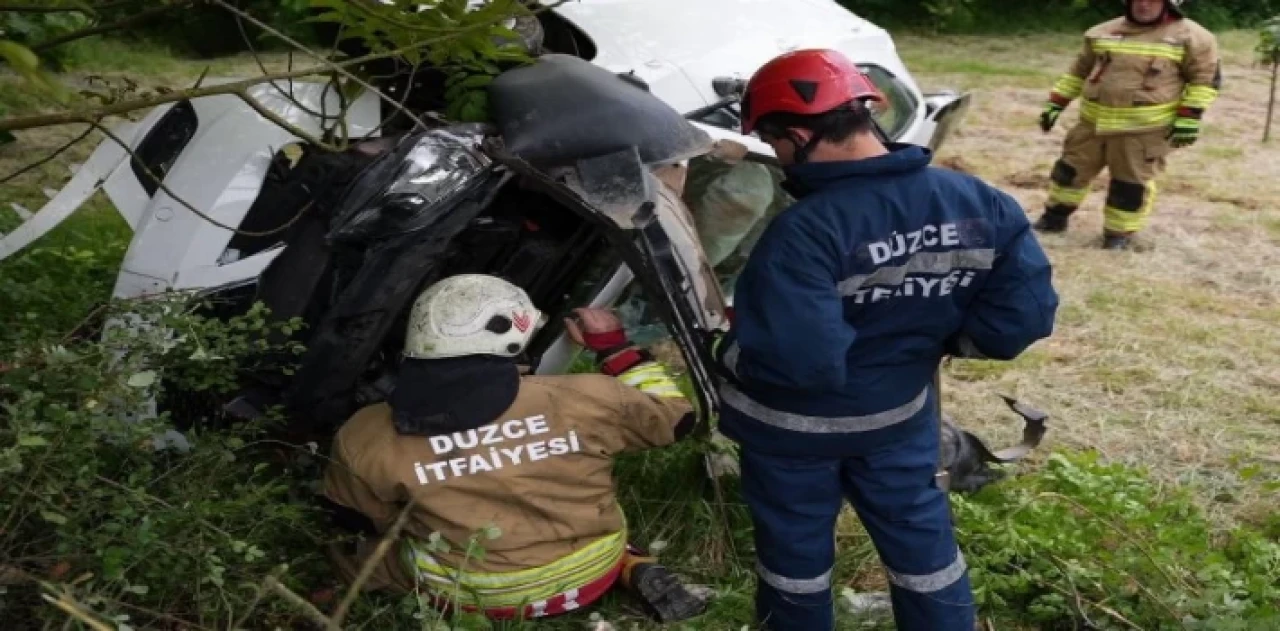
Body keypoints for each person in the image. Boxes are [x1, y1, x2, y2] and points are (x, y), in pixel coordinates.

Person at [704, 49, 1059, 630]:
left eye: (775, 144)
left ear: (797, 136)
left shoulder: (805, 232)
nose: (779, 157)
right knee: (926, 557)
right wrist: (925, 340)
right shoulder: (978, 202)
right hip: (900, 422)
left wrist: (732, 350)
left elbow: (802, 363)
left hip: (792, 439)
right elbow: (1019, 321)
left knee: (796, 565)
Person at [320, 273, 708, 623]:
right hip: (594, 571)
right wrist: (613, 347)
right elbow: (677, 418)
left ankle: (335, 600)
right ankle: (629, 562)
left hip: (476, 596)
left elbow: (356, 519)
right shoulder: (586, 398)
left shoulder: (365, 433)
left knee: (360, 553)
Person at [1034, 0, 1221, 250]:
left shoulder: (1193, 37)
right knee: (1069, 173)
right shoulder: (1101, 32)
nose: (1143, 5)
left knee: (1130, 185)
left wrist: (1190, 116)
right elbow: (1078, 72)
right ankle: (1054, 219)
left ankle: (1117, 236)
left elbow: (1204, 81)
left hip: (1142, 132)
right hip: (1091, 126)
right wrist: (1056, 102)